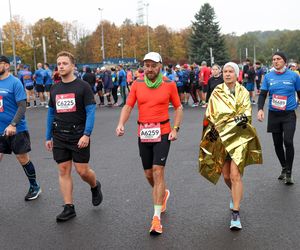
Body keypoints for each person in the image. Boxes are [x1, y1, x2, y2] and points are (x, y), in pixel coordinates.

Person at [116, 52, 183, 235]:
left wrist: (175, 128)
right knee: (148, 174)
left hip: (162, 132)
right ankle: (163, 193)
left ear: (160, 66)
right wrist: (121, 123)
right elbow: (128, 106)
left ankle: (156, 219)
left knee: (158, 170)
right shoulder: (137, 84)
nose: (150, 69)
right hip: (144, 133)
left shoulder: (169, 84)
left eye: (153, 65)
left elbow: (178, 107)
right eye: (147, 65)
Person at [199, 62, 262, 230]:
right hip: (221, 139)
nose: (227, 74)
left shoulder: (242, 92)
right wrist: (212, 132)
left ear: (236, 74)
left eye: (230, 72)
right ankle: (235, 193)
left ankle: (235, 213)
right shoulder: (217, 92)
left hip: (238, 138)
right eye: (225, 71)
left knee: (235, 176)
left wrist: (226, 123)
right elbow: (210, 115)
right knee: (226, 177)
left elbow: (245, 115)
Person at [45, 51, 103, 222]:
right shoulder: (54, 88)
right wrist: (48, 136)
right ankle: (69, 207)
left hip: (79, 135)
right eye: (59, 64)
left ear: (72, 66)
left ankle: (95, 185)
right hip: (59, 135)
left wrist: (87, 134)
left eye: (64, 63)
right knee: (63, 170)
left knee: (82, 171)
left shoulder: (83, 86)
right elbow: (50, 113)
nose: (61, 66)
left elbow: (91, 112)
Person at [0, 55, 41, 201]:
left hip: (17, 129)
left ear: (5, 65)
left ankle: (34, 186)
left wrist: (13, 124)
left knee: (23, 159)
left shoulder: (15, 83)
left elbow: (22, 106)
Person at [257, 52, 300, 185]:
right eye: (274, 59)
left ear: (284, 61)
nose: (275, 61)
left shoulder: (294, 76)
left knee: (288, 141)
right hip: (274, 114)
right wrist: (260, 109)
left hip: (289, 114)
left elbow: (299, 92)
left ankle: (289, 173)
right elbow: (263, 94)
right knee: (277, 144)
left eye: (278, 59)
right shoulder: (269, 76)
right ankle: (283, 166)